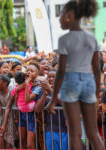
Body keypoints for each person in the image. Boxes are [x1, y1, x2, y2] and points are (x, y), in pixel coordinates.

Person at [47, 1, 105, 150]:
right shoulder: (92, 38)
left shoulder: (64, 39)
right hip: (88, 81)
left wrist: (53, 99)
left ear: (69, 16)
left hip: (71, 81)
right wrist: (96, 93)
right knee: (93, 133)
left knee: (75, 134)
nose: (60, 19)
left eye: (61, 15)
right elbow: (97, 70)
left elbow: (61, 71)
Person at [0, 74, 17, 149]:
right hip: (0, 118)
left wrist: (4, 125)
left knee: (9, 144)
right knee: (0, 142)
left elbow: (7, 108)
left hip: (9, 118)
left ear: (4, 84)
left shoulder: (11, 93)